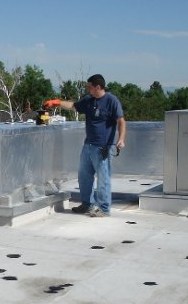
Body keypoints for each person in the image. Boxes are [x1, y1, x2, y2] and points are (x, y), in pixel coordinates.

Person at [43, 74, 126, 217]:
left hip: (103, 147)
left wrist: (121, 139)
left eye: (89, 86)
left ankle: (104, 209)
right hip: (88, 146)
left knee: (103, 178)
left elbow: (121, 121)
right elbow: (73, 105)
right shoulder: (89, 100)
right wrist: (56, 102)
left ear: (98, 87)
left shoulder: (111, 101)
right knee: (84, 176)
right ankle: (87, 204)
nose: (88, 89)